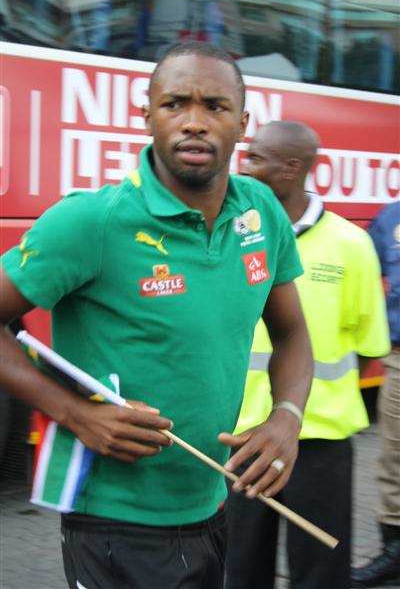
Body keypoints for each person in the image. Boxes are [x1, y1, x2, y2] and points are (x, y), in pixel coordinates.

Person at [0, 43, 313, 589]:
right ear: (147, 116)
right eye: (174, 104)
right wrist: (75, 414)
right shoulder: (91, 220)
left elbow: (292, 332)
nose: (194, 121)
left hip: (212, 505)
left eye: (214, 106)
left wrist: (287, 416)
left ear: (242, 124)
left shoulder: (261, 210)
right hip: (113, 521)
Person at [225, 121, 391, 589]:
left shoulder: (351, 244)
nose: (245, 166)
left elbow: (368, 347)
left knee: (320, 573)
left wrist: (309, 406)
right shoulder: (235, 235)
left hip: (321, 442)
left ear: (292, 167)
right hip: (243, 436)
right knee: (240, 569)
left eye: (256, 157)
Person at [351, 201, 400, 588]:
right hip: (399, 357)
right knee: (394, 461)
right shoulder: (392, 218)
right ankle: (394, 552)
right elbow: (362, 273)